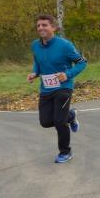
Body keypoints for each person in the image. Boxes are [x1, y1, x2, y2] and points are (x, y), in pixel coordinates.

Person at [27, 14, 87, 164]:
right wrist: (35, 73)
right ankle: (70, 116)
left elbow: (82, 63)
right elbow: (38, 62)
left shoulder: (65, 45)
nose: (40, 28)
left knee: (59, 122)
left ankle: (65, 152)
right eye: (38, 25)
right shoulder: (35, 45)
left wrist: (67, 75)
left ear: (53, 28)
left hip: (63, 88)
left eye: (44, 25)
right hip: (46, 89)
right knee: (45, 122)